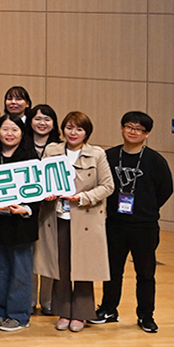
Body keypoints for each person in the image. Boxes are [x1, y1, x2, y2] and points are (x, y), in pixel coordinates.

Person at [93, 111, 173, 333]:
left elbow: (166, 189)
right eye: (129, 126)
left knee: (145, 274)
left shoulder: (155, 160)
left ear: (147, 134)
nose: (133, 132)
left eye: (139, 129)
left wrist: (147, 208)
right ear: (121, 128)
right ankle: (108, 309)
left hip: (144, 226)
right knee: (112, 270)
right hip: (115, 223)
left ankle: (146, 316)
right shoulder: (109, 156)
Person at [37, 111, 114, 333]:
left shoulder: (97, 154)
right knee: (60, 267)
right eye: (69, 128)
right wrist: (46, 193)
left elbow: (108, 186)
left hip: (85, 217)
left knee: (83, 268)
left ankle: (80, 313)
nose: (73, 133)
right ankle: (63, 311)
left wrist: (82, 197)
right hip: (57, 217)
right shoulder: (52, 150)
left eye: (79, 129)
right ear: (63, 129)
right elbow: (42, 180)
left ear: (86, 133)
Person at [0, 115, 39, 332]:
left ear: (22, 133)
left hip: (22, 224)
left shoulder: (31, 159)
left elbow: (39, 192)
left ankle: (19, 315)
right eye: (5, 129)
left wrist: (26, 208)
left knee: (20, 271)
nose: (9, 134)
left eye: (14, 130)